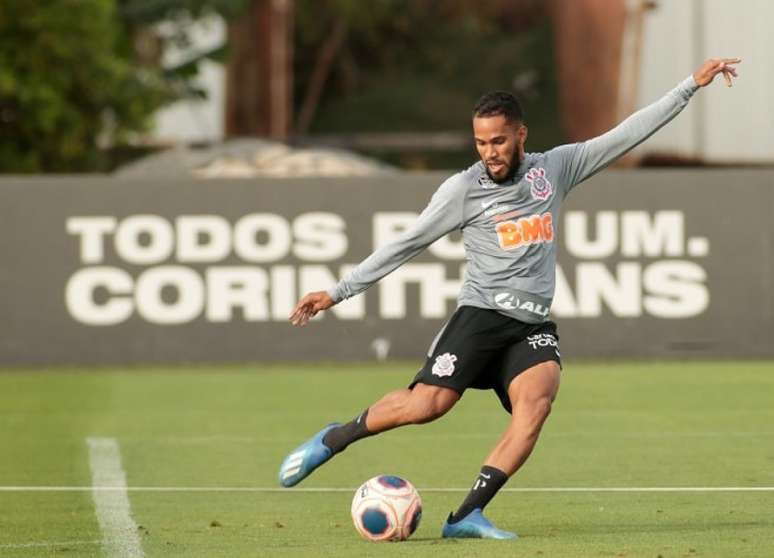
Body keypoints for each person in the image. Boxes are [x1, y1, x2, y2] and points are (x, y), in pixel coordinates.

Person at [278, 58, 740, 539]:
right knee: (427, 406)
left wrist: (691, 86)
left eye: (498, 141)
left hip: (532, 323)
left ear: (521, 135)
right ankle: (336, 437)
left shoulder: (555, 169)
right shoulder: (462, 189)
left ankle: (466, 516)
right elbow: (406, 243)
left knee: (536, 404)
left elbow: (624, 135)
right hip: (481, 315)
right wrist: (337, 291)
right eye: (480, 143)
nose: (489, 153)